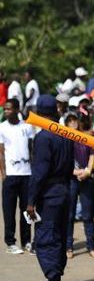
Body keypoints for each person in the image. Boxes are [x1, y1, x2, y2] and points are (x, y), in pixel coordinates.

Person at [26, 95, 74, 281]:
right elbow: (71, 166)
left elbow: (39, 172)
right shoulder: (66, 133)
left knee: (46, 236)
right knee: (59, 235)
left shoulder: (44, 137)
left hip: (49, 193)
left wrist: (31, 200)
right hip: (64, 189)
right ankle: (55, 278)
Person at [0, 98, 36, 254]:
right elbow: (1, 153)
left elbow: (31, 149)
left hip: (26, 174)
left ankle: (27, 240)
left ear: (17, 109)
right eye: (5, 109)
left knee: (26, 210)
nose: (6, 111)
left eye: (9, 109)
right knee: (9, 210)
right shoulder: (1, 128)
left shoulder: (27, 126)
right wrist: (3, 173)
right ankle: (10, 242)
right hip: (11, 175)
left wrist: (34, 171)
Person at [65, 114, 94, 259]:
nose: (73, 124)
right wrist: (74, 171)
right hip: (71, 179)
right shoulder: (65, 140)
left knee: (88, 215)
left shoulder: (86, 138)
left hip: (86, 178)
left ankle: (91, 246)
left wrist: (87, 171)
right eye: (69, 122)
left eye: (74, 121)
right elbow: (63, 160)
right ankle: (68, 247)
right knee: (70, 215)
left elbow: (92, 155)